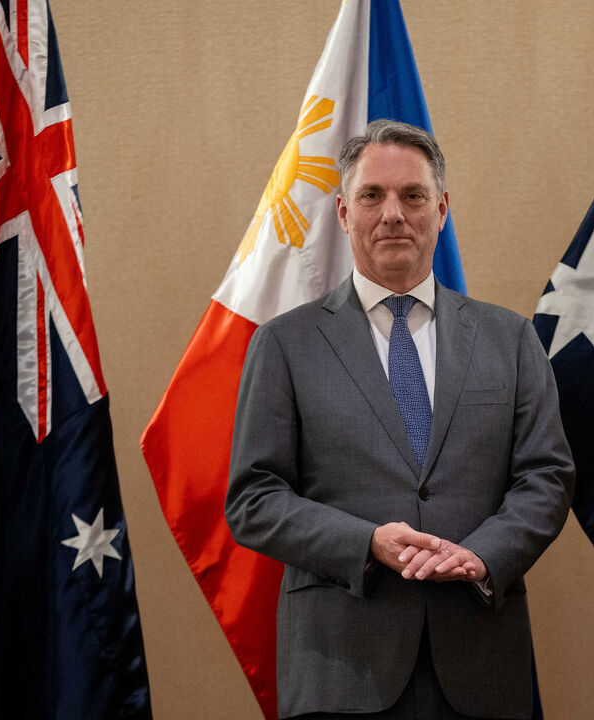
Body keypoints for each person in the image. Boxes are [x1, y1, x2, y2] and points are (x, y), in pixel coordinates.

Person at [226, 119, 574, 720]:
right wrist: (367, 544)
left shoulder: (510, 339)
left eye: (413, 195)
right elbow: (254, 498)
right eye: (372, 196)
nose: (393, 214)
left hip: (480, 659)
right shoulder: (285, 343)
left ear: (441, 210)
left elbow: (546, 477)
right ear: (343, 212)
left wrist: (483, 555)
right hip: (341, 663)